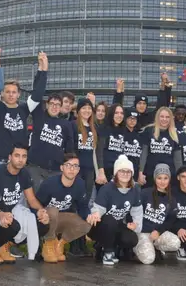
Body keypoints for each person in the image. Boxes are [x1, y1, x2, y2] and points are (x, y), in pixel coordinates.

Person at [0, 51, 47, 168]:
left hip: (18, 163)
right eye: (7, 92)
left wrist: (43, 69)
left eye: (14, 92)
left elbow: (38, 94)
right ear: (2, 93)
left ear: (18, 94)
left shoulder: (24, 109)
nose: (11, 95)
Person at [0, 143, 49, 263]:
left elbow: (32, 200)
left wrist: (42, 211)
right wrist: (0, 213)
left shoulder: (24, 173)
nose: (20, 160)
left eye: (24, 156)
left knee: (43, 225)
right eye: (17, 155)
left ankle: (4, 244)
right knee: (14, 225)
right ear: (10, 157)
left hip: (12, 212)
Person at [35, 153, 92, 263]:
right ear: (62, 168)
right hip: (45, 220)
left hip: (62, 219)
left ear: (78, 169)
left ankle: (59, 244)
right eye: (68, 165)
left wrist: (89, 216)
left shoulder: (80, 184)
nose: (72, 169)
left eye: (75, 166)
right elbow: (36, 204)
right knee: (53, 210)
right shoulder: (49, 184)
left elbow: (83, 206)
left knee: (87, 225)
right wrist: (40, 214)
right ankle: (48, 244)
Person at [87, 155, 143, 265]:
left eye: (128, 171)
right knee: (110, 220)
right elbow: (98, 209)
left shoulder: (135, 190)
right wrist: (96, 214)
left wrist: (136, 225)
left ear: (132, 174)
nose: (125, 174)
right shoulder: (107, 188)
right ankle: (108, 252)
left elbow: (137, 211)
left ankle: (104, 246)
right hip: (100, 226)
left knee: (131, 239)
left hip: (117, 225)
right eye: (122, 171)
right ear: (116, 173)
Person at [69, 98, 103, 256]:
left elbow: (97, 153)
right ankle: (74, 244)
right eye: (83, 108)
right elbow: (70, 149)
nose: (87, 111)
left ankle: (82, 242)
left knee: (84, 206)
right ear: (78, 111)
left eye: (89, 108)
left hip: (89, 171)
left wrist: (99, 172)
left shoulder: (95, 128)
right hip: (76, 171)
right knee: (74, 206)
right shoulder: (72, 125)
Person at [134, 164, 181, 264]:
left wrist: (159, 231)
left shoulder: (172, 199)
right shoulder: (144, 193)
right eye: (159, 178)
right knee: (148, 260)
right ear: (155, 179)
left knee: (175, 243)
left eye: (165, 178)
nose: (162, 181)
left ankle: (155, 247)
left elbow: (170, 220)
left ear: (169, 179)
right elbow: (135, 212)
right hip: (143, 232)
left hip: (157, 233)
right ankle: (136, 247)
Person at [27, 92, 75, 186]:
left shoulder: (66, 124)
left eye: (58, 105)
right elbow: (36, 94)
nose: (54, 107)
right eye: (52, 103)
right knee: (34, 194)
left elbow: (69, 148)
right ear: (47, 105)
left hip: (55, 170)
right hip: (36, 167)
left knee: (52, 194)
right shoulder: (39, 116)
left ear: (60, 107)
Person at [138, 107, 182, 188]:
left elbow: (178, 159)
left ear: (171, 119)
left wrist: (180, 175)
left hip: (169, 176)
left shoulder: (175, 134)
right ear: (157, 117)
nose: (164, 119)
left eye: (167, 117)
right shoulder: (149, 131)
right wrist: (140, 172)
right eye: (162, 116)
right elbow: (143, 154)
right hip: (150, 174)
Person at [97, 103, 129, 183]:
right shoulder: (104, 128)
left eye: (121, 113)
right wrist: (101, 172)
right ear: (111, 114)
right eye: (116, 113)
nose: (119, 115)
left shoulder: (124, 130)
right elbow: (99, 151)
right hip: (105, 171)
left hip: (119, 171)